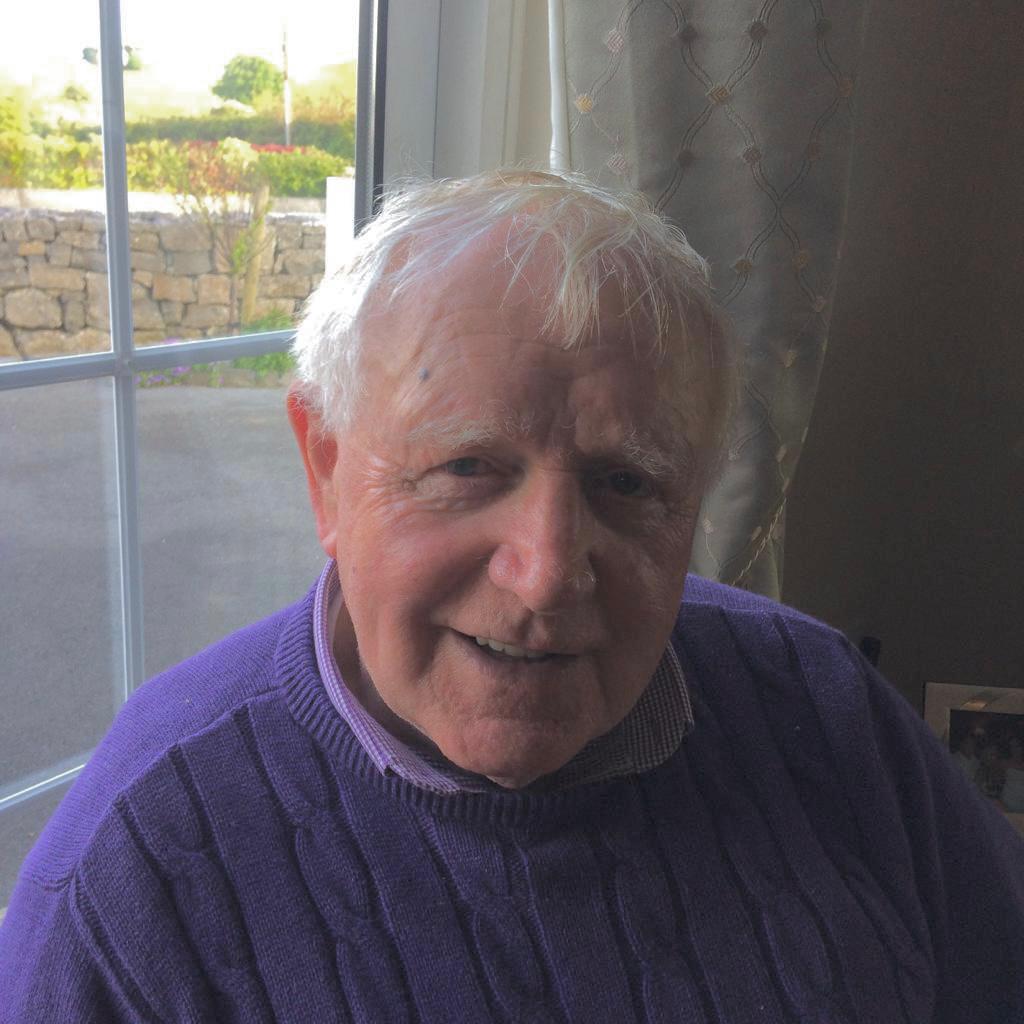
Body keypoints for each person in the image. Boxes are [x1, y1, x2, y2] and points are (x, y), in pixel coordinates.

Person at [2, 170, 1023, 1023]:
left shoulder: (824, 707)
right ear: (326, 470)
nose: (546, 572)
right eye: (466, 466)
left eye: (627, 482)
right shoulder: (138, 860)